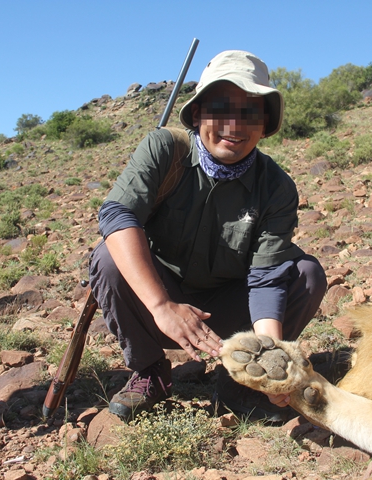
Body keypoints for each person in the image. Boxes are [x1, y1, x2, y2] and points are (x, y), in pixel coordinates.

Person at [89, 50, 327, 421]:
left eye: (250, 112)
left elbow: (266, 279)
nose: (235, 124)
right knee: (109, 256)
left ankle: (240, 381)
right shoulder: (164, 149)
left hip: (230, 310)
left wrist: (270, 361)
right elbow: (118, 214)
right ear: (198, 113)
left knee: (305, 273)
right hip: (159, 305)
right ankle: (150, 372)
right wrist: (162, 306)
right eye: (221, 108)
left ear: (265, 125)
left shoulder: (277, 187)